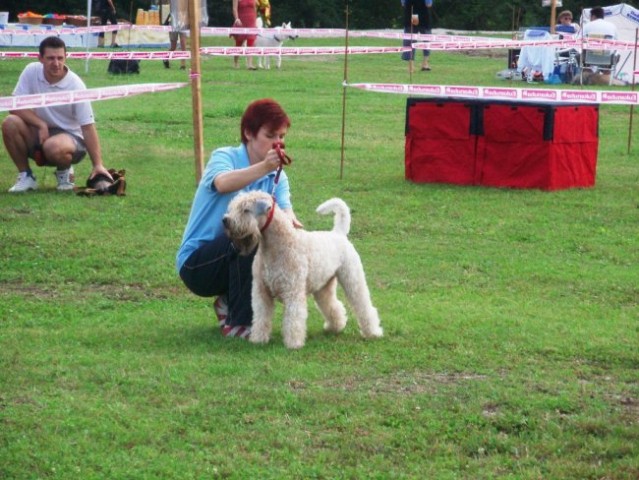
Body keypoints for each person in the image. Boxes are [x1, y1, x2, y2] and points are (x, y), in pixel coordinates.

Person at [176, 98, 302, 339]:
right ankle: (238, 322)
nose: (278, 143)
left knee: (277, 243)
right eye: (271, 135)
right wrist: (264, 167)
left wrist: (293, 228)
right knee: (250, 236)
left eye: (282, 136)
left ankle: (230, 302)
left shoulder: (278, 177)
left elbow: (287, 214)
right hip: (197, 264)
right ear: (248, 133)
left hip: (232, 256)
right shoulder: (224, 157)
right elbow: (223, 183)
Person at [2, 36, 112, 193]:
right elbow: (14, 106)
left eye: (60, 58)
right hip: (41, 133)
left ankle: (65, 172)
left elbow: (87, 127)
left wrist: (98, 165)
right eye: (50, 58)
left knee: (54, 146)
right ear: (40, 58)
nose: (56, 63)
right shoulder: (31, 71)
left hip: (71, 138)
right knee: (10, 123)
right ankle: (26, 176)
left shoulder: (76, 85)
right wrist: (41, 124)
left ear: (66, 57)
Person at [401, 0, 433, 73]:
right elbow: (429, 4)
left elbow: (403, 4)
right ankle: (425, 64)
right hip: (423, 15)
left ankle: (411, 67)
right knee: (426, 39)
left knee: (410, 40)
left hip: (413, 13)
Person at [230, 0, 258, 70]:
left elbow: (255, 8)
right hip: (241, 21)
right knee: (239, 43)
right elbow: (234, 9)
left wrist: (255, 20)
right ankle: (235, 62)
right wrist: (236, 19)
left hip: (251, 20)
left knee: (251, 41)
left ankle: (249, 64)